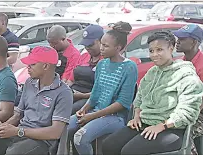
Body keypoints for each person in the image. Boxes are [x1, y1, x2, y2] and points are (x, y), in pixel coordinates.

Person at [101, 31, 203, 155]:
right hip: (145, 123)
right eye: (151, 51)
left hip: (171, 129)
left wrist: (161, 126)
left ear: (171, 48)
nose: (154, 55)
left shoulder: (186, 76)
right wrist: (137, 116)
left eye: (159, 50)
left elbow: (188, 112)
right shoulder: (152, 72)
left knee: (129, 151)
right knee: (109, 145)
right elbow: (139, 98)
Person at [0, 46, 73, 155]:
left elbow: (55, 132)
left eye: (32, 64)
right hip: (20, 133)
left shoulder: (63, 92)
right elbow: (18, 115)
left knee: (13, 152)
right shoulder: (30, 83)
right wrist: (4, 127)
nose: (28, 67)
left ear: (45, 66)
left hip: (42, 141)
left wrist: (18, 131)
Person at [67, 21, 138, 155]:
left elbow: (123, 103)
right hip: (96, 111)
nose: (101, 49)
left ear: (118, 47)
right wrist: (84, 109)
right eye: (101, 44)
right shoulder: (102, 64)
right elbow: (95, 93)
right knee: (64, 127)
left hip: (115, 117)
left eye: (106, 46)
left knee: (80, 137)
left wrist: (93, 115)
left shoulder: (129, 67)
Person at [173, 23, 203, 139]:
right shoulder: (179, 62)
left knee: (181, 136)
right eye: (178, 38)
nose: (177, 42)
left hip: (197, 113)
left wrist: (179, 117)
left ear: (194, 42)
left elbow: (200, 103)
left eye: (182, 39)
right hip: (181, 109)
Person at [72, 24, 104, 113]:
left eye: (90, 45)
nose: (87, 48)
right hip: (75, 92)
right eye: (85, 45)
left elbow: (103, 91)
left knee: (68, 111)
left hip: (90, 97)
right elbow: (71, 80)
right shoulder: (84, 57)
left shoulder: (106, 61)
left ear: (101, 41)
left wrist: (82, 95)